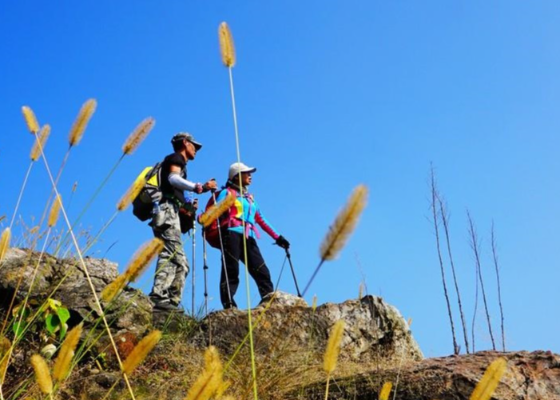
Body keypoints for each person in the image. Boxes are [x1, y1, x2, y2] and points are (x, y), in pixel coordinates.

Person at [149, 132, 217, 311]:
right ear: (185, 143)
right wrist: (199, 186)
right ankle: (162, 299)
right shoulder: (176, 158)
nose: (196, 149)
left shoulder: (177, 163)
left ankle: (165, 301)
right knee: (179, 260)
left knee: (168, 255)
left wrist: (188, 207)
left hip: (166, 212)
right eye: (194, 145)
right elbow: (173, 178)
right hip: (167, 212)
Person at [213, 162, 290, 309]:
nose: (250, 175)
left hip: (249, 237)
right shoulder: (227, 193)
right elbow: (214, 213)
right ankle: (229, 305)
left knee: (262, 271)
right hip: (231, 235)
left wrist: (278, 237)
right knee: (231, 270)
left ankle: (269, 302)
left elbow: (261, 219)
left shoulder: (249, 198)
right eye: (246, 173)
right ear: (236, 177)